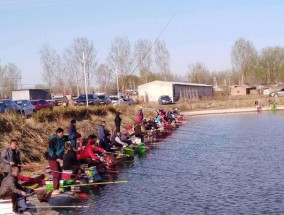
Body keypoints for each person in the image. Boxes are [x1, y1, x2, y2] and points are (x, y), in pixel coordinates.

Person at [47, 128, 81, 196]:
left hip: (58, 158)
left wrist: (78, 134)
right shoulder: (52, 140)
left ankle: (61, 186)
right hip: (52, 158)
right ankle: (55, 189)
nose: (63, 134)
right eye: (61, 133)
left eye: (63, 133)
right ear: (58, 133)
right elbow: (50, 151)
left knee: (59, 171)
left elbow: (70, 136)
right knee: (56, 173)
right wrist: (56, 158)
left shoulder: (63, 138)